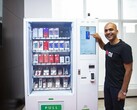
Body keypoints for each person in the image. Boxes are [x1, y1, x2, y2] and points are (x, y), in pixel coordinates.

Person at [92, 22, 133, 110]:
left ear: (117, 31)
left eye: (111, 29)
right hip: (107, 85)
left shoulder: (124, 48)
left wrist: (123, 91)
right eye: (106, 30)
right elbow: (103, 47)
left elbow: (129, 70)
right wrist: (99, 39)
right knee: (108, 108)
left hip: (118, 87)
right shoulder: (109, 46)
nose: (108, 32)